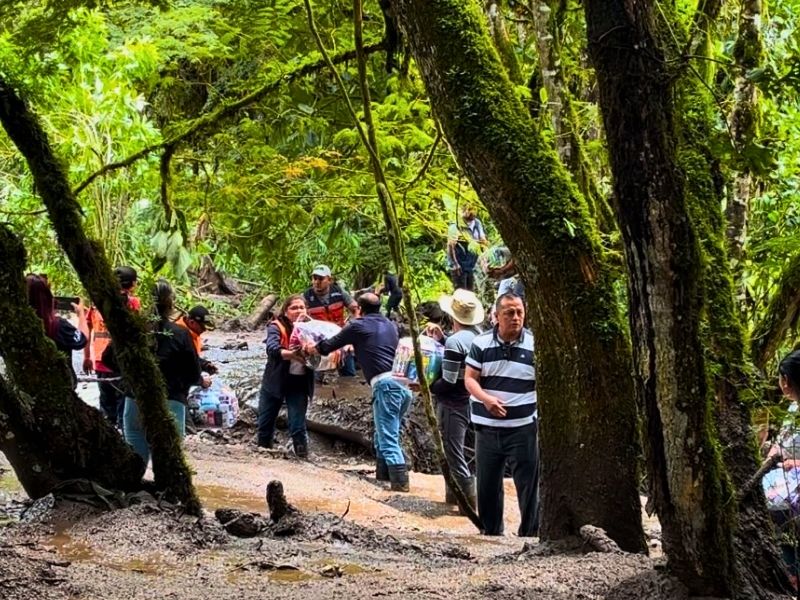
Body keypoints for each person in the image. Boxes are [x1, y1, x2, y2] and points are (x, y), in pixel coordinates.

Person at [306, 293, 413, 491]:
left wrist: (311, 348)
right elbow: (376, 346)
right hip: (403, 385)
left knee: (388, 438)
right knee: (385, 434)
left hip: (385, 385)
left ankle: (401, 486)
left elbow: (329, 345)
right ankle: (383, 477)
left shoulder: (357, 325)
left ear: (359, 309)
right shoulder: (390, 325)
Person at [464, 292, 538, 536]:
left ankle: (530, 535)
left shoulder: (535, 344)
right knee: (487, 486)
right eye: (509, 313)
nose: (516, 318)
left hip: (523, 428)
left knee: (529, 485)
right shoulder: (481, 343)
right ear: (496, 316)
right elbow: (470, 379)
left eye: (519, 312)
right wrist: (486, 399)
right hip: (487, 429)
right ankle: (491, 533)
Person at [121, 280, 201, 465]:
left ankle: (132, 491)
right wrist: (181, 384)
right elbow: (194, 373)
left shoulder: (136, 329)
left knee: (135, 458)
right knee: (169, 461)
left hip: (135, 398)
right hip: (171, 398)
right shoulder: (180, 334)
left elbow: (110, 358)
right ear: (171, 303)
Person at [425, 289, 483, 511]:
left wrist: (428, 386)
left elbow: (449, 380)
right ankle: (456, 497)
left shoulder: (454, 343)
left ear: (452, 316)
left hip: (453, 403)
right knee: (465, 450)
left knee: (452, 451)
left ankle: (467, 505)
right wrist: (444, 338)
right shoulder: (480, 335)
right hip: (474, 400)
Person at [257, 294, 314, 458]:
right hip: (275, 380)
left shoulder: (313, 328)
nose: (298, 311)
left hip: (299, 382)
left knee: (297, 425)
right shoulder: (276, 326)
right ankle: (263, 454)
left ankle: (303, 458)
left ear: (306, 310)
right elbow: (272, 349)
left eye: (301, 307)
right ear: (285, 311)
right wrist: (292, 354)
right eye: (293, 308)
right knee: (265, 422)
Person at [83, 266, 140, 426]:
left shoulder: (97, 303)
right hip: (120, 360)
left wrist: (87, 356)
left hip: (100, 360)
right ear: (133, 284)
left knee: (106, 404)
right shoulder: (133, 303)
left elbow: (88, 330)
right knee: (122, 403)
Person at [762, 350, 800, 583]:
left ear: (785, 381)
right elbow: (783, 445)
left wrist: (794, 463)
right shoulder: (794, 409)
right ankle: (792, 574)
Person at [25, 274, 88, 388]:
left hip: (27, 386)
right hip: (60, 386)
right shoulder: (58, 326)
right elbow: (82, 339)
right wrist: (81, 315)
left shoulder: (15, 326)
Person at [303, 265, 359, 377]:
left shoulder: (339, 292)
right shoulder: (306, 297)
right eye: (314, 278)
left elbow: (356, 310)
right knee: (316, 377)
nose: (317, 282)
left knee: (349, 375)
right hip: (318, 341)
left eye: (321, 279)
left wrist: (352, 327)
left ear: (329, 280)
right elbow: (300, 320)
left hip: (340, 337)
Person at [447, 206, 487, 292]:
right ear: (463, 211)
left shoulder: (477, 223)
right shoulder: (455, 225)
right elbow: (451, 246)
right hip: (459, 265)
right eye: (469, 210)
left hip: (472, 264)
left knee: (470, 292)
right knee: (462, 293)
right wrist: (455, 264)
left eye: (473, 209)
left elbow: (483, 240)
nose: (471, 212)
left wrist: (484, 257)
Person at [177, 305, 218, 375]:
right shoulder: (178, 336)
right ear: (192, 322)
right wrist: (200, 381)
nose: (204, 330)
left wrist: (204, 364)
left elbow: (189, 359)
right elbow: (179, 364)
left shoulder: (193, 333)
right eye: (202, 327)